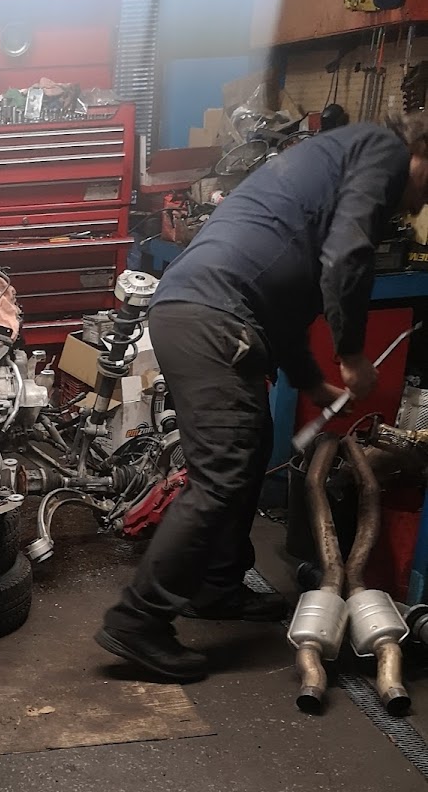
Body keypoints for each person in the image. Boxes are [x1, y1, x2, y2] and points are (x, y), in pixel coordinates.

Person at [96, 112, 428, 683]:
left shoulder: (333, 160)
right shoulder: (381, 151)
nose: (417, 207)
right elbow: (346, 258)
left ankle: (216, 586)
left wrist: (311, 380)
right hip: (213, 315)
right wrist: (350, 355)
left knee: (244, 460)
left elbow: (288, 294)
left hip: (211, 311)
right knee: (222, 471)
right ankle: (138, 620)